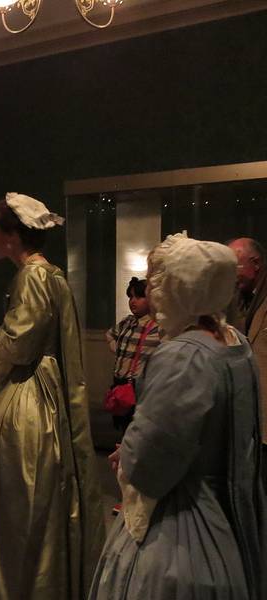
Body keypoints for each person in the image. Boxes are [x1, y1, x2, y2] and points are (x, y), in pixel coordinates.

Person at [0, 193, 105, 600]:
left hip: (28, 398)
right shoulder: (51, 274)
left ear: (12, 237)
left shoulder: (32, 276)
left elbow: (21, 345)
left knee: (12, 500)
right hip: (44, 389)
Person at [89, 233, 266, 600]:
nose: (153, 293)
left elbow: (149, 467)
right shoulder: (235, 342)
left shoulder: (183, 355)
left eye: (157, 282)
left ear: (180, 287)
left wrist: (129, 454)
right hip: (226, 515)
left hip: (181, 531)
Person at [228, 237, 267, 487]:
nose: (232, 275)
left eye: (236, 266)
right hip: (251, 420)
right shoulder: (243, 301)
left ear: (256, 263)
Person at [106, 277, 160, 434]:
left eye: (139, 296)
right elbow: (110, 335)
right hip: (120, 382)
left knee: (136, 428)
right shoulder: (127, 322)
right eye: (130, 297)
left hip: (139, 386)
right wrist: (119, 350)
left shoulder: (156, 326)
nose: (133, 301)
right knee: (122, 428)